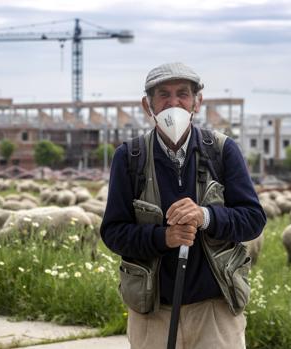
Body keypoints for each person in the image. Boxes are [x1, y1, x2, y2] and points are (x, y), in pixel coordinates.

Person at [100, 62, 266, 349]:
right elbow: (113, 232)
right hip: (154, 313)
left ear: (197, 102)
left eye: (183, 94)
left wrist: (206, 216)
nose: (173, 103)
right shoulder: (130, 157)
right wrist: (163, 237)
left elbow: (253, 219)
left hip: (215, 310)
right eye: (163, 94)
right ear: (147, 104)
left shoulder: (222, 151)